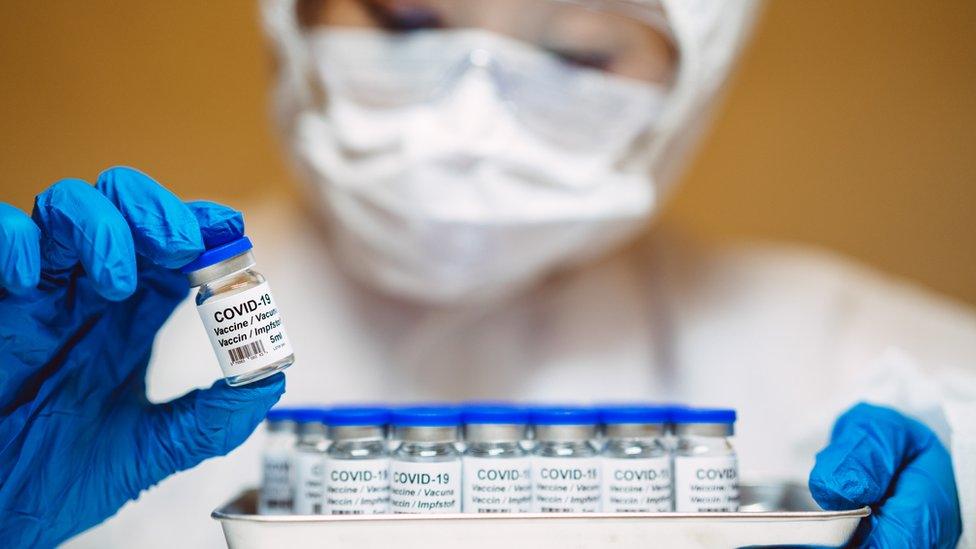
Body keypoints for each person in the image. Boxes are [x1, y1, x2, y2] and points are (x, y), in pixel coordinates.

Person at [0, 0, 972, 547]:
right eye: (408, 23)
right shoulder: (87, 340)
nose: (468, 125)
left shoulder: (891, 372)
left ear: (692, 80)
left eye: (579, 55)